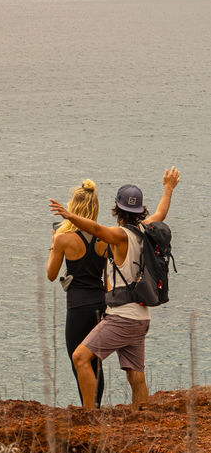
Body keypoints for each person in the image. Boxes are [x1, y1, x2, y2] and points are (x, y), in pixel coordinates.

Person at [49, 167, 180, 409]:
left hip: (122, 317)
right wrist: (168, 188)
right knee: (135, 374)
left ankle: (89, 417)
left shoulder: (120, 235)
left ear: (117, 209)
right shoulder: (146, 230)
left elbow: (97, 230)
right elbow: (161, 212)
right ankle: (141, 420)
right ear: (140, 211)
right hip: (141, 316)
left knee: (80, 358)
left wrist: (69, 216)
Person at [47, 179, 107, 407]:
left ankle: (87, 410)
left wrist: (54, 243)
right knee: (95, 362)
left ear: (73, 208)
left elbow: (51, 275)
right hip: (100, 304)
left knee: (77, 361)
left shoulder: (63, 238)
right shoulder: (105, 238)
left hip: (77, 307)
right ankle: (96, 409)